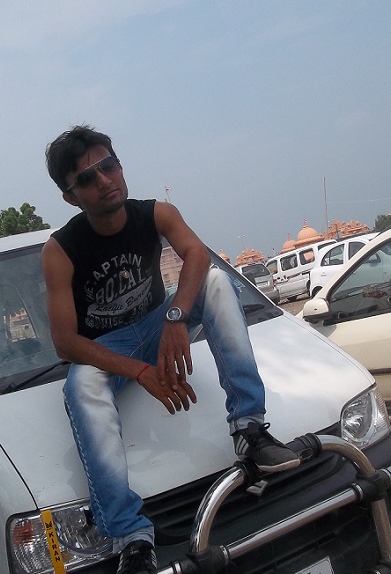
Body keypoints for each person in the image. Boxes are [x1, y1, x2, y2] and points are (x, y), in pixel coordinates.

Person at [42, 125, 300, 574]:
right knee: (80, 385)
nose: (104, 180)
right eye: (86, 178)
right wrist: (139, 371)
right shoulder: (61, 250)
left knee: (217, 281)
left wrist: (176, 317)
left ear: (120, 166)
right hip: (108, 346)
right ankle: (131, 537)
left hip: (158, 322)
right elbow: (65, 343)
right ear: (71, 196)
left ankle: (249, 428)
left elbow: (197, 254)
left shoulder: (156, 213)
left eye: (108, 165)